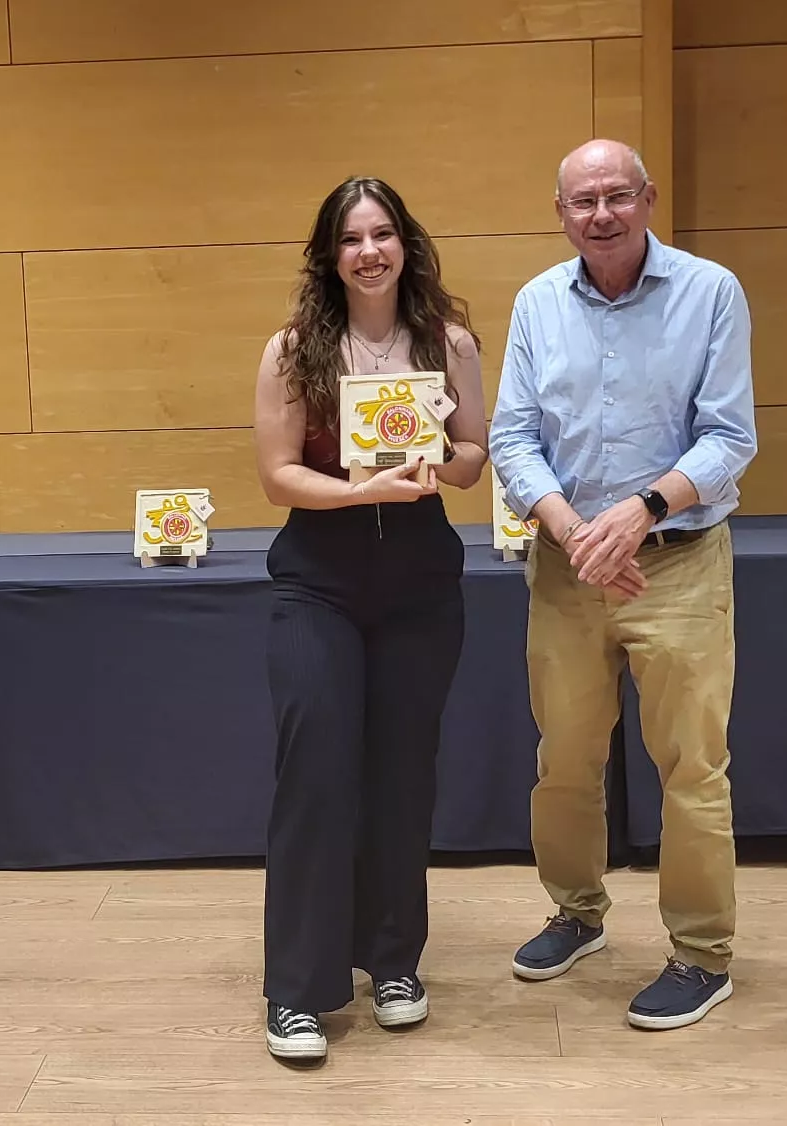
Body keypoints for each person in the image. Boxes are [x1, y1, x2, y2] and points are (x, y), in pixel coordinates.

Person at [489, 139, 757, 1031]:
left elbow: (727, 438)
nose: (600, 214)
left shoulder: (711, 292)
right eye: (582, 201)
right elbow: (513, 438)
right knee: (564, 759)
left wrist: (639, 512)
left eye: (616, 196)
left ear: (646, 198)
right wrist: (573, 529)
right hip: (566, 567)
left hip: (676, 558)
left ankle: (701, 954)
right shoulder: (536, 303)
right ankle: (577, 912)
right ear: (560, 214)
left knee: (691, 766)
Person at [251, 176, 489, 1061]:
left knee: (402, 775)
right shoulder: (291, 350)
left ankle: (394, 961)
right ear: (329, 255)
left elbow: (473, 454)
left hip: (421, 581)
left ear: (406, 244)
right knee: (316, 772)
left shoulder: (448, 341)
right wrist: (360, 488)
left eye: (383, 233)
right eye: (351, 238)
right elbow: (278, 476)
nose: (369, 251)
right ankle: (299, 989)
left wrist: (443, 460)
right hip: (319, 582)